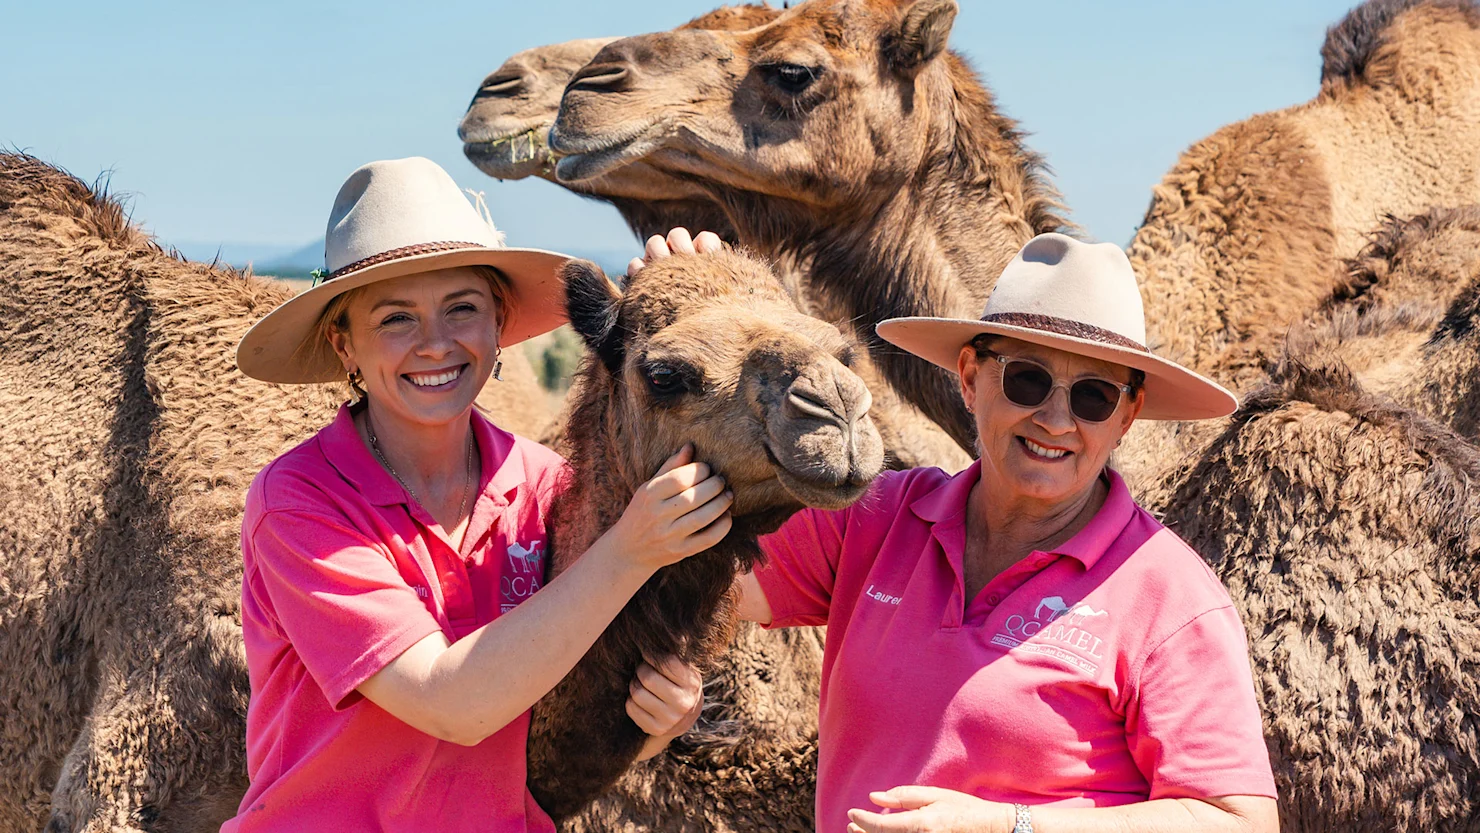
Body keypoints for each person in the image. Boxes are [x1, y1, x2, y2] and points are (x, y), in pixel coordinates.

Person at [637, 229, 1279, 833]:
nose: (1056, 419)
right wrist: (699, 303)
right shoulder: (877, 519)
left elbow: (1239, 821)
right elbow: (690, 563)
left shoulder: (1168, 596)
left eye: (1093, 397)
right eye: (1027, 379)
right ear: (971, 378)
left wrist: (1008, 825)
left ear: (1127, 416)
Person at [223, 159, 732, 832]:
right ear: (345, 345)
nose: (436, 343)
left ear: (498, 324)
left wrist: (663, 714)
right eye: (396, 317)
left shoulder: (545, 484)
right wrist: (629, 550)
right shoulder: (302, 503)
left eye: (461, 308)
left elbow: (576, 688)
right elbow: (454, 703)